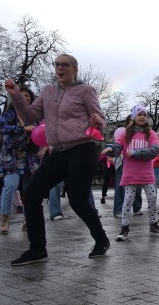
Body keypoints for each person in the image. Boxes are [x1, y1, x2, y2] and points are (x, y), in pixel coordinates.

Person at [5, 53, 111, 265]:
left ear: (74, 69)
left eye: (65, 65)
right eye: (57, 65)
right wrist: (16, 96)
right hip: (59, 152)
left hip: (82, 149)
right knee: (32, 194)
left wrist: (98, 121)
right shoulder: (48, 91)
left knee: (78, 200)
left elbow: (101, 121)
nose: (60, 68)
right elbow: (30, 117)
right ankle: (37, 249)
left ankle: (101, 240)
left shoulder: (85, 90)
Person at [102, 105, 159, 240]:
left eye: (144, 115)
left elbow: (154, 151)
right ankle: (124, 228)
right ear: (133, 117)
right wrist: (110, 148)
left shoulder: (152, 134)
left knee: (152, 198)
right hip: (130, 173)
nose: (142, 117)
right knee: (128, 200)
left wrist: (137, 153)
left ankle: (153, 225)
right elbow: (118, 146)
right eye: (139, 114)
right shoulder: (125, 133)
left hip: (147, 174)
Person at [1, 87, 39, 234]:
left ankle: (28, 220)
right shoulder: (9, 113)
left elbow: (42, 130)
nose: (26, 98)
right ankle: (4, 219)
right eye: (23, 95)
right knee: (10, 186)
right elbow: (2, 127)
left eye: (28, 96)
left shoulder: (34, 116)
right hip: (12, 157)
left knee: (30, 190)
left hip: (30, 158)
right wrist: (23, 129)